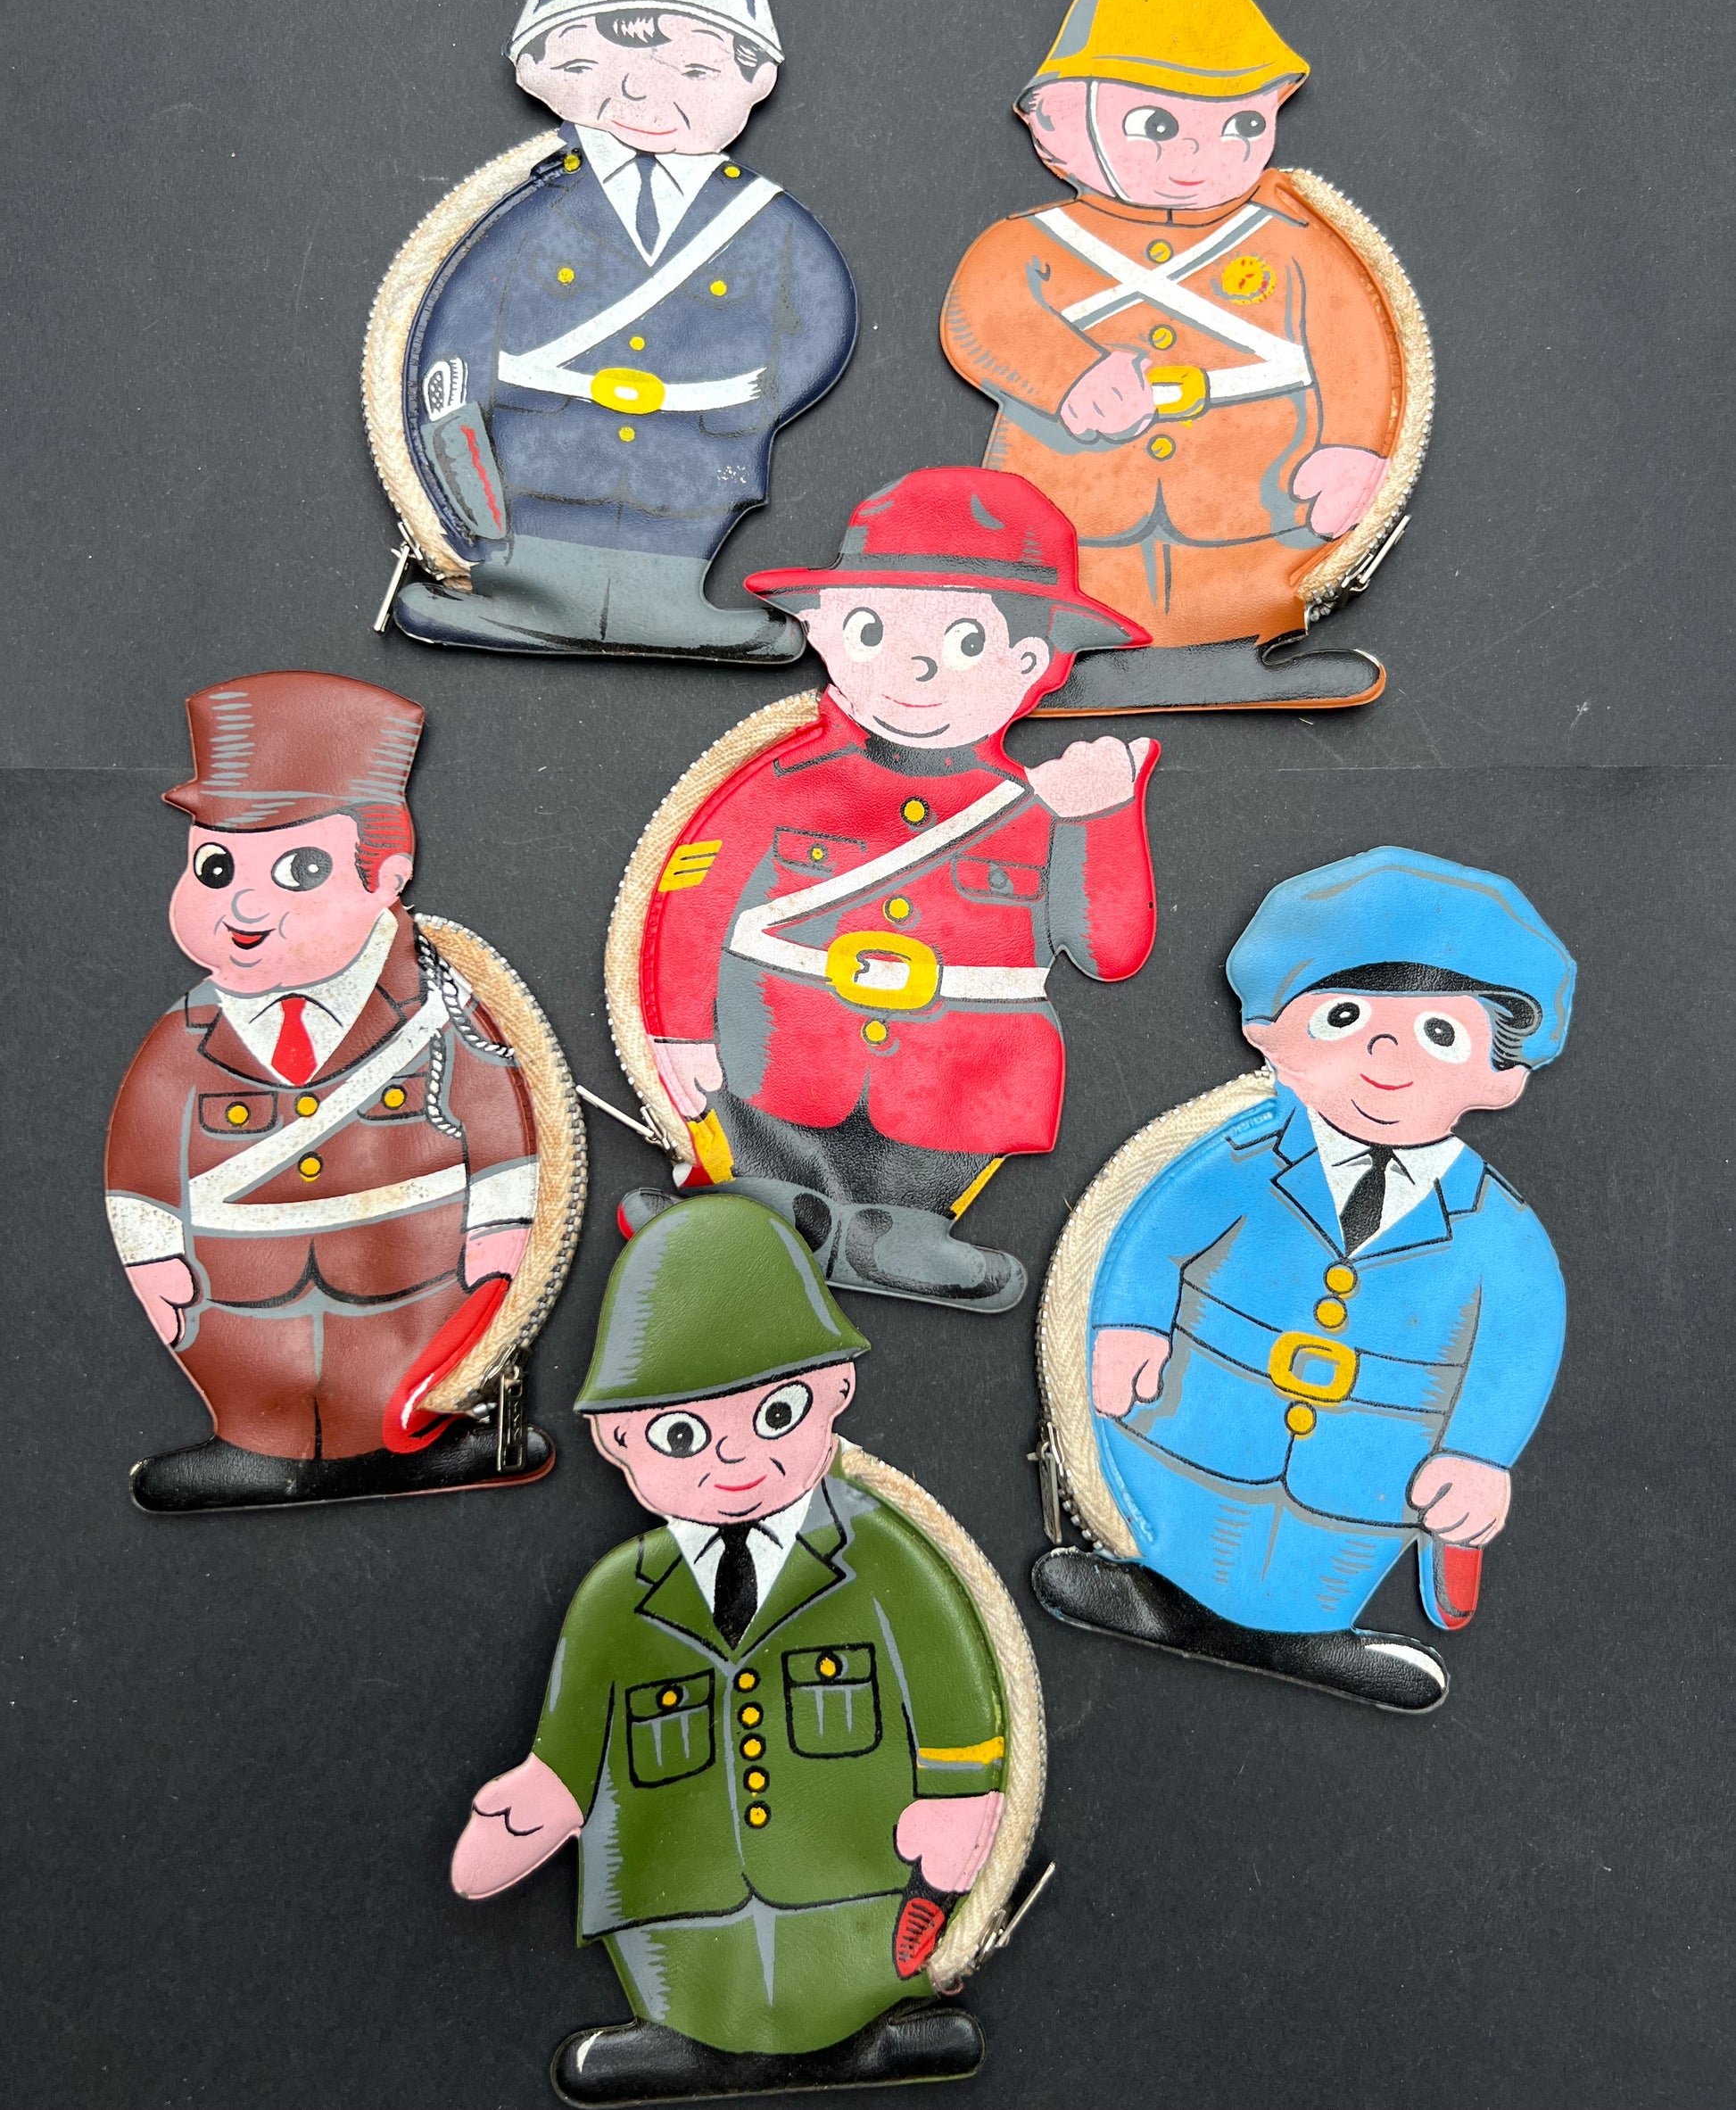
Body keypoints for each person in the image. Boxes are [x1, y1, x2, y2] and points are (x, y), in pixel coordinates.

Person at [453, 1196, 1011, 2106]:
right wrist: (544, 1798)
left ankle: (874, 2026)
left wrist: (958, 1793)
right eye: (682, 1436)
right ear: (615, 1437)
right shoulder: (615, 1597)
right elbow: (575, 1728)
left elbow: (948, 1671)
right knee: (682, 1964)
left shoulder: (879, 1554)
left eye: (776, 1414)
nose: (736, 1461)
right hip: (677, 1889)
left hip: (854, 1876)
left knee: (855, 1968)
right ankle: (681, 2038)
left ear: (835, 1389)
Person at [1035, 848, 1575, 1710]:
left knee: (1322, 1560)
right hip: (1198, 1428)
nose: (1387, 1055)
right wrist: (1130, 1320)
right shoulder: (1234, 1157)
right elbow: (1155, 1236)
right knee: (1193, 1527)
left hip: (1366, 1476)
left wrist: (1479, 1455)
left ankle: (1314, 1635)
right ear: (1270, 1030)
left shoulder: (1500, 1233)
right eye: (1345, 1017)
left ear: (1502, 1074)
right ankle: (1152, 1591)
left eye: (1442, 1034)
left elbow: (1516, 1339)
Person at [624, 465, 1161, 1311]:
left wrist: (1105, 817)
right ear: (823, 630)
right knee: (761, 1168)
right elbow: (694, 902)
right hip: (780, 1053)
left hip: (954, 1082)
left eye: (966, 643)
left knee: (916, 1187)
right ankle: (750, 1213)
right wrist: (679, 1029)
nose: (914, 670)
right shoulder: (777, 783)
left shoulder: (1041, 810)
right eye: (872, 629)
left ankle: (900, 1237)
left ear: (1036, 660)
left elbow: (1108, 949)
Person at [104, 672, 550, 1510]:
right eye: (215, 866)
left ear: (388, 875)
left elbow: (497, 1111)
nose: (243, 902)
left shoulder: (439, 1008)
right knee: (255, 1379)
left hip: (414, 1279)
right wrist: (154, 1248)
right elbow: (144, 1144)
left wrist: (501, 1227)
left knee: (407, 1379)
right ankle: (254, 1448)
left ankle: (426, 1438)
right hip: (238, 1297)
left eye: (300, 868)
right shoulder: (186, 1035)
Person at [385, 0, 856, 660]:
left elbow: (819, 318)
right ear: (537, 68)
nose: (641, 91)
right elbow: (458, 330)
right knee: (541, 502)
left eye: (695, 68)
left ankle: (669, 604)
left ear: (756, 78)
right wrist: (459, 473)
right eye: (586, 64)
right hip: (541, 450)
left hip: (695, 453)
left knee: (679, 503)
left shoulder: (765, 222)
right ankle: (521, 596)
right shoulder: (526, 206)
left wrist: (751, 399)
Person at [942, 0, 1416, 713]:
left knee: (1242, 578)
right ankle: (1073, 669)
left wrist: (1355, 447)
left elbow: (1351, 343)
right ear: (1055, 119)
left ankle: (1238, 660)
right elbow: (986, 316)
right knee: (1081, 572)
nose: (1199, 157)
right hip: (1078, 498)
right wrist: (1069, 377)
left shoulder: (1295, 237)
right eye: (1155, 125)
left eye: (1241, 124)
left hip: (1256, 498)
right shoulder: (1028, 242)